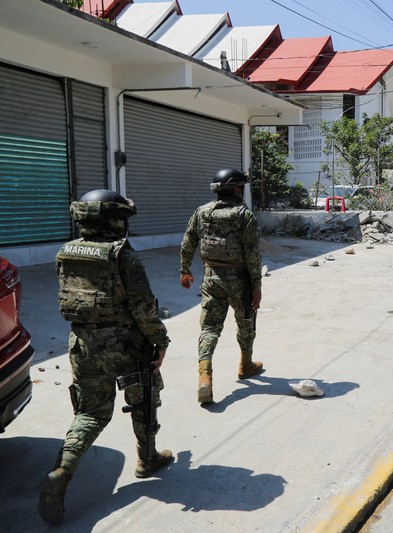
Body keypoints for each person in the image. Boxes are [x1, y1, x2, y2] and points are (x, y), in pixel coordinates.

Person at [39, 190, 172, 526]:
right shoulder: (123, 256)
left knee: (90, 413)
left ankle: (62, 471)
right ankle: (147, 459)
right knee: (144, 399)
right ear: (114, 221)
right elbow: (143, 308)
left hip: (83, 344)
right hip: (127, 346)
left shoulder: (66, 251)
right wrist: (160, 341)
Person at [179, 168, 263, 405]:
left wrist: (185, 271)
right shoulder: (244, 215)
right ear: (236, 189)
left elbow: (188, 242)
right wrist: (257, 285)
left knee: (209, 328)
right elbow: (252, 254)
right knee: (245, 321)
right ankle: (246, 365)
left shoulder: (202, 212)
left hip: (211, 277)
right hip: (240, 280)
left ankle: (205, 378)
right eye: (241, 187)